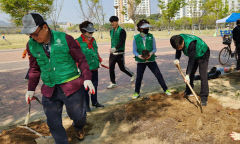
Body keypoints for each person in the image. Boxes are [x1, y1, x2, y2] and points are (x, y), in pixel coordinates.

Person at [21, 13, 95, 143]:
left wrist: (87, 78)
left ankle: (78, 127)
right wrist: (30, 89)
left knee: (78, 116)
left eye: (35, 33)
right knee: (53, 122)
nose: (33, 37)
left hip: (71, 87)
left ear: (44, 27)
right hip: (49, 89)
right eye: (30, 35)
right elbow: (34, 68)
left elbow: (81, 59)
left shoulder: (65, 39)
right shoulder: (31, 45)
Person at [132, 19, 171, 99]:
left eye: (148, 27)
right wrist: (139, 56)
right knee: (139, 77)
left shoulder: (151, 36)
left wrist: (150, 54)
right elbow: (134, 50)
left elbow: (154, 49)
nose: (147, 29)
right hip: (140, 61)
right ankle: (136, 92)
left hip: (151, 60)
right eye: (146, 27)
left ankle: (166, 89)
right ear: (141, 28)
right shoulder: (136, 38)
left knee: (158, 74)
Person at [170, 34, 210, 106]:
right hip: (194, 54)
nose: (179, 49)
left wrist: (187, 75)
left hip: (203, 53)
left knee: (203, 75)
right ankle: (188, 91)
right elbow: (178, 50)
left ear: (183, 42)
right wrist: (177, 59)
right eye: (177, 48)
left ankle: (204, 97)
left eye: (180, 47)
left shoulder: (191, 44)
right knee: (190, 73)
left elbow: (191, 60)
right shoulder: (177, 40)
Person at [75, 21, 104, 112]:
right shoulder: (77, 42)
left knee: (95, 86)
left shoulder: (93, 40)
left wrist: (99, 60)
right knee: (85, 89)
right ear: (83, 31)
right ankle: (86, 106)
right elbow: (75, 56)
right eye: (89, 32)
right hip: (84, 70)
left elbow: (95, 51)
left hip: (94, 67)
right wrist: (77, 67)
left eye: (92, 32)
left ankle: (95, 102)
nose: (92, 34)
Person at [107, 16, 135, 89]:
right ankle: (113, 83)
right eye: (111, 22)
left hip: (120, 53)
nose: (112, 23)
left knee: (122, 68)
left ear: (117, 21)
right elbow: (113, 41)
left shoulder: (122, 31)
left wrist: (115, 48)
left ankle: (132, 75)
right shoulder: (111, 31)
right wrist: (112, 49)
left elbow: (122, 42)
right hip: (112, 53)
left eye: (113, 21)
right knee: (111, 68)